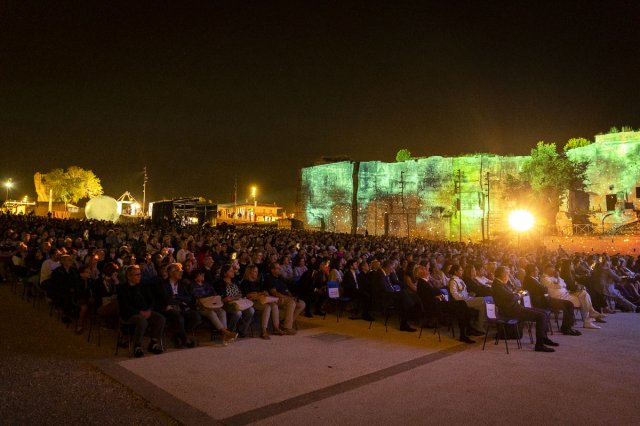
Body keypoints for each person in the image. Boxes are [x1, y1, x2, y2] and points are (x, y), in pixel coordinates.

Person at [492, 266, 558, 353]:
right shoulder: (497, 285)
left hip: (515, 308)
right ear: (502, 274)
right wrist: (519, 295)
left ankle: (544, 338)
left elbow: (511, 294)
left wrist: (518, 293)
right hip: (510, 311)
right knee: (541, 316)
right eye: (508, 274)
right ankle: (539, 345)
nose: (509, 275)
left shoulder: (501, 283)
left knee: (544, 313)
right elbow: (511, 297)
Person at [415, 264, 479, 344]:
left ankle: (467, 330)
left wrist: (439, 296)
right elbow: (427, 300)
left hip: (438, 304)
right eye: (425, 269)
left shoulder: (425, 282)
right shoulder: (422, 284)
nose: (428, 270)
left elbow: (432, 293)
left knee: (462, 304)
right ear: (421, 273)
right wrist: (439, 297)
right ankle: (465, 333)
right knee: (461, 305)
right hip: (435, 307)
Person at [117, 265, 165, 357]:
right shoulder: (122, 288)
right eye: (137, 275)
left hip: (145, 311)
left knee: (160, 319)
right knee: (142, 321)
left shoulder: (143, 285)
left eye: (140, 274)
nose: (139, 277)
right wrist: (140, 312)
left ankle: (153, 342)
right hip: (131, 313)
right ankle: (137, 346)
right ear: (129, 276)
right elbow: (125, 306)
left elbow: (151, 300)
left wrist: (149, 310)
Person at [540, 264, 605, 329]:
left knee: (584, 293)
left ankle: (590, 314)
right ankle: (588, 320)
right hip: (559, 298)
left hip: (566, 294)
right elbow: (559, 286)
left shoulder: (553, 277)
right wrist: (558, 279)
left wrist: (558, 281)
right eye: (552, 268)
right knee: (584, 300)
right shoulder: (544, 279)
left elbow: (564, 284)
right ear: (547, 269)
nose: (554, 270)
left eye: (554, 268)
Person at [522, 264, 581, 336]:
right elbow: (544, 289)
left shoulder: (531, 279)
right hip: (542, 302)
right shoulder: (530, 280)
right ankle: (566, 328)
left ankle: (567, 327)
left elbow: (544, 289)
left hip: (545, 300)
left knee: (568, 304)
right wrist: (544, 288)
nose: (538, 271)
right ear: (532, 272)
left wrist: (544, 288)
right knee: (569, 305)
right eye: (536, 270)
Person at [190, 269, 237, 344]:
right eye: (200, 275)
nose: (203, 276)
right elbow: (196, 297)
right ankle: (226, 332)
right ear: (195, 277)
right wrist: (206, 297)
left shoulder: (207, 284)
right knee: (211, 313)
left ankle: (224, 334)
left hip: (212, 304)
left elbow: (214, 293)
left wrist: (210, 297)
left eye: (203, 274)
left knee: (222, 311)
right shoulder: (192, 286)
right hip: (201, 306)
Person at [160, 263, 200, 348]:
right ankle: (185, 340)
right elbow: (167, 299)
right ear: (171, 273)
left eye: (181, 271)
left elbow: (188, 298)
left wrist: (177, 296)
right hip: (168, 309)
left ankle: (178, 335)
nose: (181, 273)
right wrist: (181, 301)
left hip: (182, 308)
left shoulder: (182, 284)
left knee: (196, 317)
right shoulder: (163, 284)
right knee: (179, 318)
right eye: (178, 271)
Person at [240, 264, 286, 339]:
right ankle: (264, 331)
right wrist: (258, 294)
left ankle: (276, 327)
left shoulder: (257, 282)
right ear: (250, 272)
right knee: (267, 307)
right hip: (251, 302)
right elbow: (247, 295)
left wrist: (264, 293)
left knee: (274, 305)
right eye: (255, 271)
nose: (257, 273)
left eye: (257, 271)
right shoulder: (245, 282)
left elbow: (261, 292)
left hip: (260, 300)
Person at [374, 260, 417, 332]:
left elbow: (388, 287)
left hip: (388, 295)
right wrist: (395, 291)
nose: (392, 271)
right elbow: (385, 289)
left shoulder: (383, 273)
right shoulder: (380, 274)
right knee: (404, 296)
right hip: (384, 298)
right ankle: (405, 322)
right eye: (391, 268)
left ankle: (404, 323)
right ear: (387, 267)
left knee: (405, 299)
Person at [264, 262, 305, 334]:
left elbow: (286, 290)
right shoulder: (269, 278)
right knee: (291, 302)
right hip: (276, 299)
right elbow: (274, 293)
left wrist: (291, 296)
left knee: (302, 304)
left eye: (279, 268)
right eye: (277, 268)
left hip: (286, 297)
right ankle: (287, 327)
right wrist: (288, 298)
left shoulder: (281, 278)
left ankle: (285, 322)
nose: (280, 269)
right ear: (272, 270)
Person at [216, 263, 254, 338]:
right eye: (230, 271)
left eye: (233, 270)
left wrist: (234, 297)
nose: (233, 272)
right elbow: (224, 299)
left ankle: (242, 330)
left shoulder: (235, 281)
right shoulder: (220, 283)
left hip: (239, 302)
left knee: (251, 310)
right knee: (238, 313)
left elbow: (240, 294)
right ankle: (230, 331)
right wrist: (235, 298)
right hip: (227, 304)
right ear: (225, 273)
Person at [448, 264, 487, 330]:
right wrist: (464, 298)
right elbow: (454, 294)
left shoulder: (460, 279)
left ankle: (480, 326)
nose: (462, 271)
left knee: (482, 306)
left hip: (467, 298)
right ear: (455, 272)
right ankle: (479, 327)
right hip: (462, 302)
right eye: (460, 270)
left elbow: (463, 292)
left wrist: (469, 294)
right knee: (483, 299)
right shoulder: (453, 281)